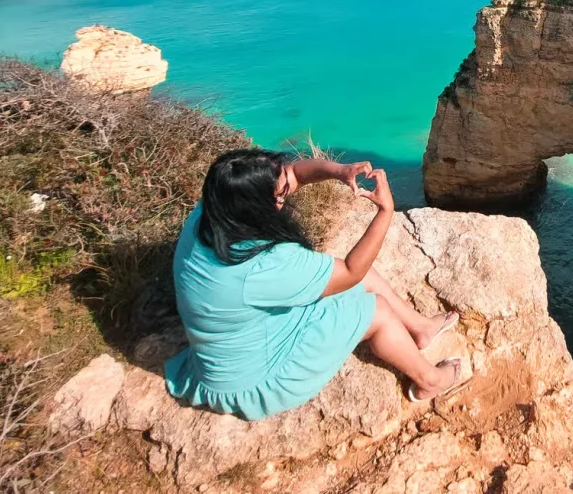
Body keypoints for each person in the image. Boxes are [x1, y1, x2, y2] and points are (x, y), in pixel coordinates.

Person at [165, 149, 462, 421]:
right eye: (279, 197)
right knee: (377, 311)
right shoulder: (264, 264)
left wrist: (339, 170)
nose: (285, 197)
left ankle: (421, 329)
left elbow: (292, 174)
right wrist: (385, 212)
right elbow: (350, 271)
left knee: (359, 278)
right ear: (257, 208)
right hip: (257, 377)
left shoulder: (214, 212)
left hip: (233, 350)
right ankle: (429, 382)